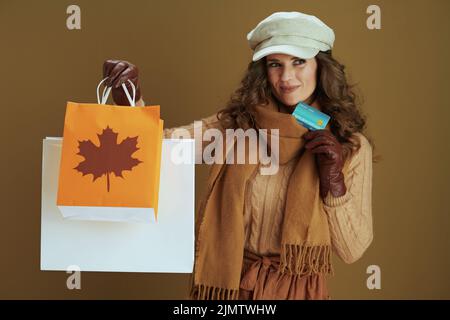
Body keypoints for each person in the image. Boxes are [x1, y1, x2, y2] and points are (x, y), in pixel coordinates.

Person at [102, 11, 375, 300]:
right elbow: (162, 148)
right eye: (275, 64)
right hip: (230, 288)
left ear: (321, 66)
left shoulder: (349, 146)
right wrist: (129, 101)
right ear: (263, 70)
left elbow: (352, 250)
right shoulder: (236, 126)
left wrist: (334, 181)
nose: (286, 77)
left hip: (299, 291)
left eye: (299, 62)